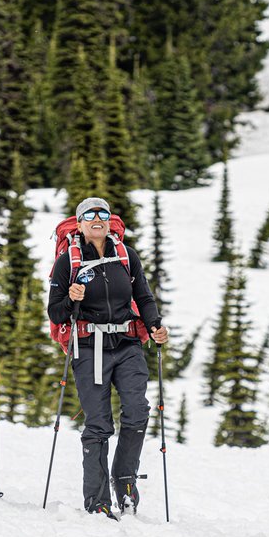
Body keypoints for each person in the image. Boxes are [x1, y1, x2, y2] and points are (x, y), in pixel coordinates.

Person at [47, 197, 168, 519]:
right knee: (99, 424)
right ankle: (97, 501)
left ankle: (125, 486)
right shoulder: (67, 261)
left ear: (110, 221)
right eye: (89, 215)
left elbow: (143, 295)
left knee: (138, 411)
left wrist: (155, 325)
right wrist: (71, 298)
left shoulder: (125, 256)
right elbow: (54, 311)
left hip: (127, 342)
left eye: (102, 213)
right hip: (89, 347)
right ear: (80, 223)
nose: (97, 219)